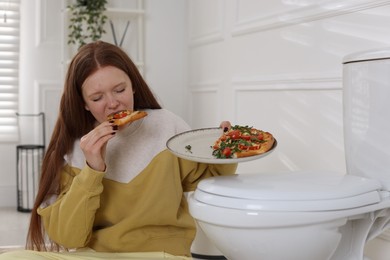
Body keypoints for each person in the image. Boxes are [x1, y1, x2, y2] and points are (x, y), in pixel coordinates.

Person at [0, 41, 236, 259]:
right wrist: (92, 169)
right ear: (83, 103)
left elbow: (209, 183)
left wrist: (225, 149)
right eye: (97, 97)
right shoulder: (74, 148)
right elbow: (67, 237)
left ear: (133, 86)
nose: (112, 103)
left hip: (162, 254)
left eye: (120, 90)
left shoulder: (167, 125)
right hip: (95, 254)